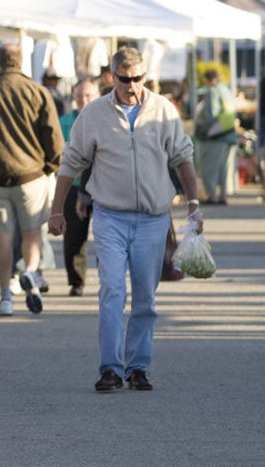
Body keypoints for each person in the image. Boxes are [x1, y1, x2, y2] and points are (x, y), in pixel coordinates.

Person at [49, 46, 199, 394]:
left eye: (137, 78)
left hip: (152, 218)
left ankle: (138, 367)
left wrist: (194, 203)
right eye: (124, 79)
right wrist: (57, 211)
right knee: (112, 290)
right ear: (111, 77)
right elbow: (71, 163)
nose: (131, 85)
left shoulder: (163, 109)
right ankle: (111, 368)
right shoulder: (94, 113)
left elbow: (183, 157)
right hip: (110, 216)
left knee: (145, 296)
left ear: (144, 76)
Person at [0, 42, 64, 316]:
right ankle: (30, 272)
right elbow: (52, 133)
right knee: (32, 233)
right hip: (32, 174)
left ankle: (5, 295)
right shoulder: (37, 91)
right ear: (21, 63)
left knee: (3, 236)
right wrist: (51, 164)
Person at [59, 80, 100, 297]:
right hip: (74, 185)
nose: (83, 101)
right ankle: (76, 281)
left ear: (97, 95)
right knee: (74, 235)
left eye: (88, 96)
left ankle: (108, 277)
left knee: (106, 236)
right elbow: (63, 153)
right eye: (79, 96)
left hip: (102, 185)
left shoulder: (105, 119)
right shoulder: (65, 121)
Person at [192, 69, 237, 206]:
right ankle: (222, 195)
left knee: (209, 168)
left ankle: (211, 196)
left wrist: (205, 131)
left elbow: (212, 113)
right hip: (228, 134)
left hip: (214, 136)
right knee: (223, 168)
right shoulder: (227, 90)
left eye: (205, 81)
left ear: (209, 80)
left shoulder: (213, 91)